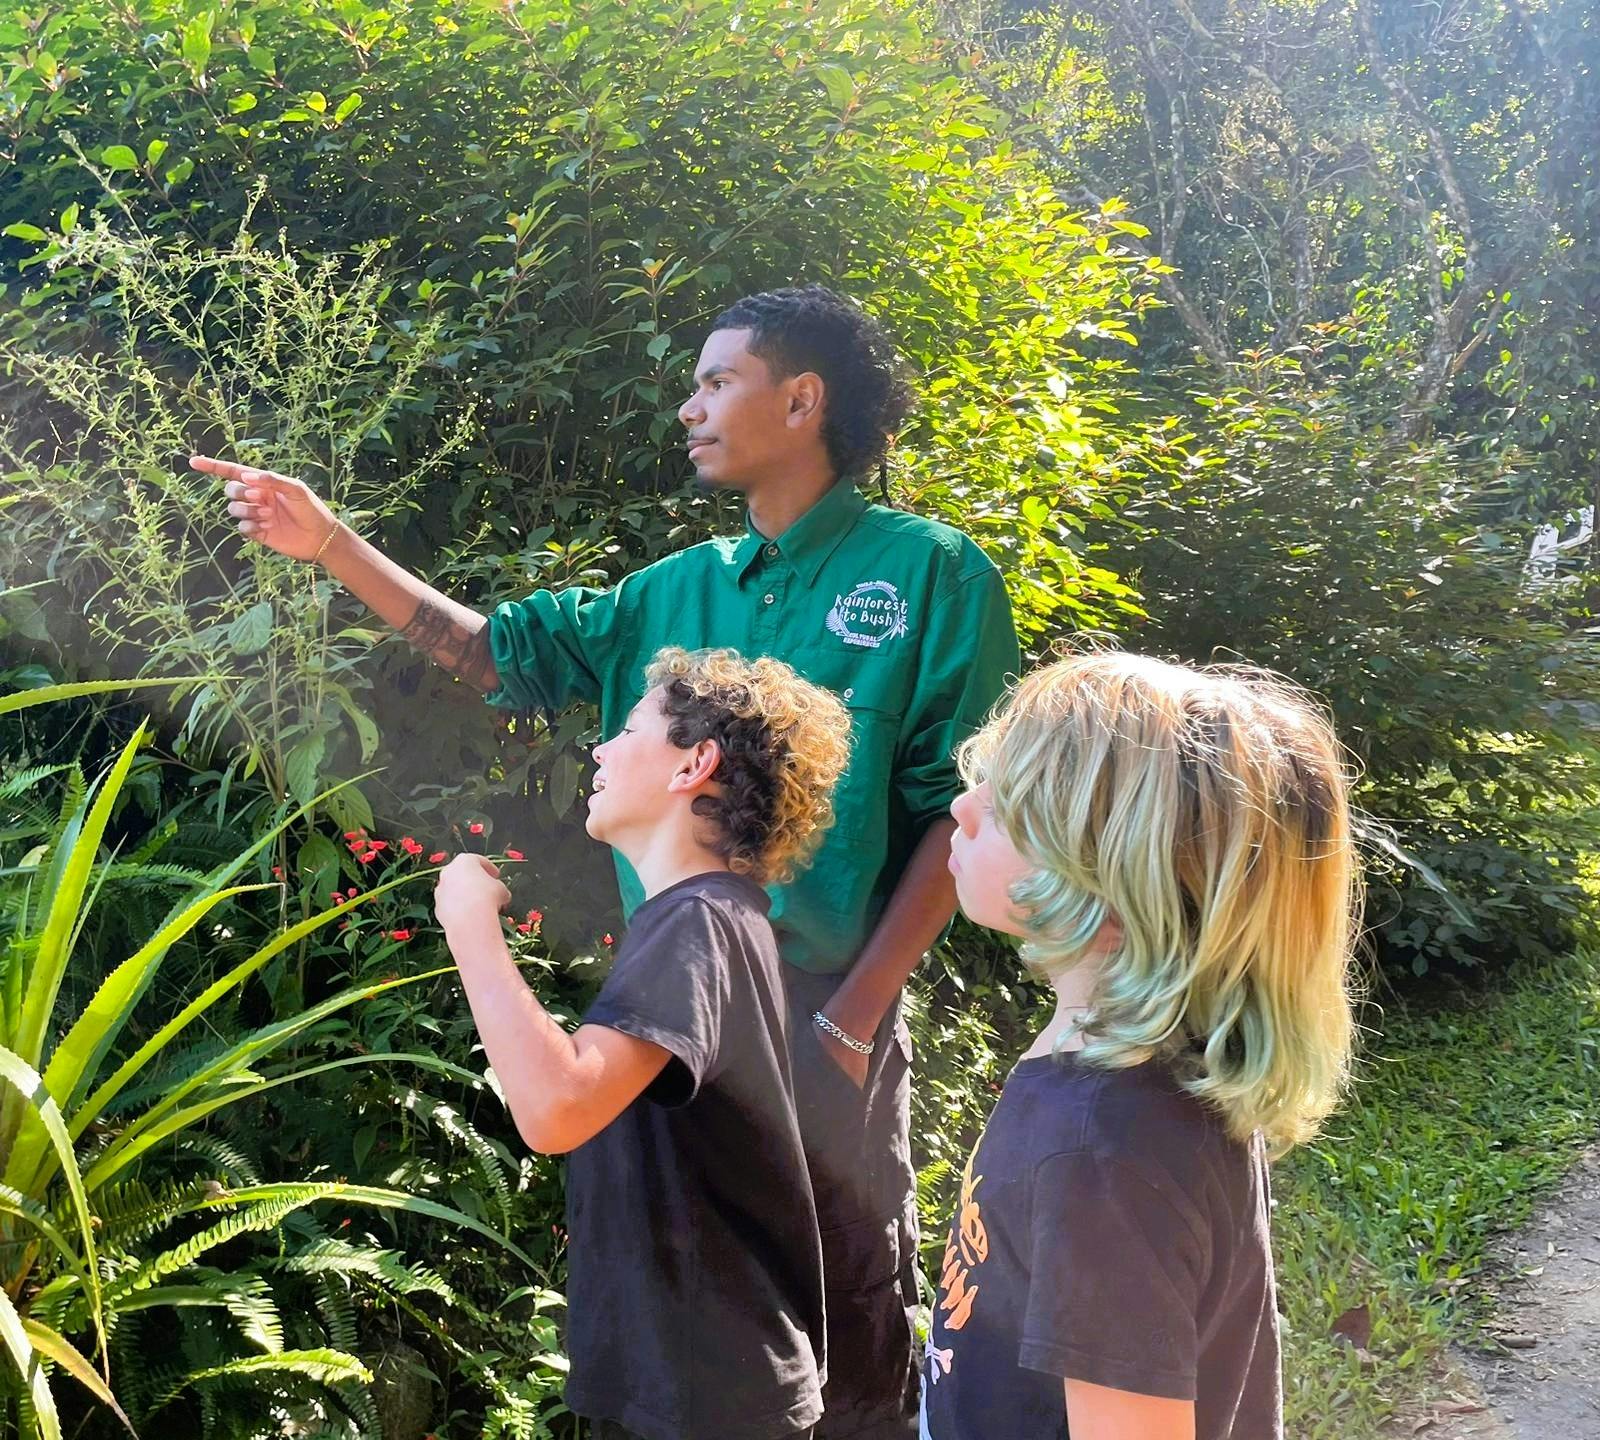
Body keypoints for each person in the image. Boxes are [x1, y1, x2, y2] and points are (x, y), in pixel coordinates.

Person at [197, 283, 1020, 1437]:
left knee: (846, 1303)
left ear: (800, 399)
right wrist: (329, 543)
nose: (687, 409)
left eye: (713, 382)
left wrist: (853, 1017)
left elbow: (959, 810)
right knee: (697, 1321)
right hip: (680, 1012)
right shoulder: (676, 589)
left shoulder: (935, 574)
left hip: (833, 1014)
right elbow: (498, 654)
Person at [925, 650, 1360, 1440]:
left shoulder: (1105, 1152)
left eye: (1015, 801)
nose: (965, 807)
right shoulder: (1114, 1063)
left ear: (1121, 886)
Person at [434, 645, 852, 1440]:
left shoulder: (698, 923)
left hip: (706, 1396)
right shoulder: (718, 919)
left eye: (627, 730)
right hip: (703, 1385)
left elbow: (558, 1106)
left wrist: (469, 924)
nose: (599, 748)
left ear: (693, 764)